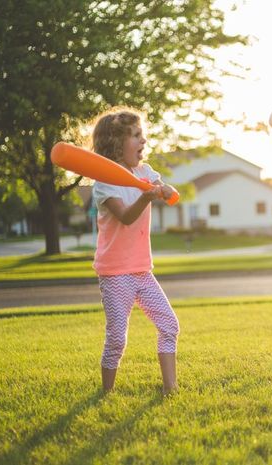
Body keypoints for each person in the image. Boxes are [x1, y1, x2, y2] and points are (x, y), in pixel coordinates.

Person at [89, 107, 180, 395]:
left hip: (142, 270)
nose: (144, 142)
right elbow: (126, 217)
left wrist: (164, 190)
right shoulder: (104, 183)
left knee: (169, 325)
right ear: (117, 143)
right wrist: (146, 197)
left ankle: (171, 389)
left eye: (143, 135)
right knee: (117, 337)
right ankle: (106, 394)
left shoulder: (145, 172)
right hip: (116, 274)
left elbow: (164, 190)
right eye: (137, 136)